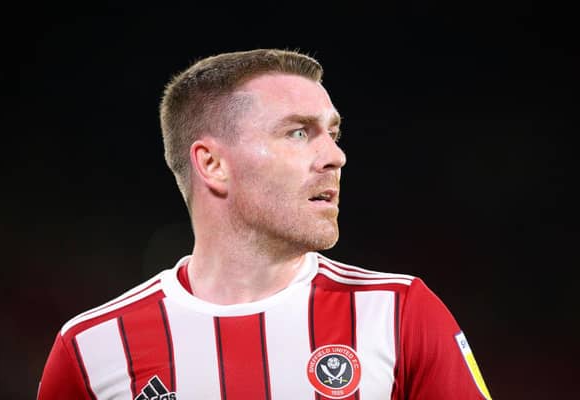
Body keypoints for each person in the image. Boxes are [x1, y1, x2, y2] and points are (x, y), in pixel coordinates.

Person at [37, 48, 492, 400]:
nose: (335, 155)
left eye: (331, 133)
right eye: (298, 132)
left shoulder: (399, 314)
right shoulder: (91, 350)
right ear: (212, 164)